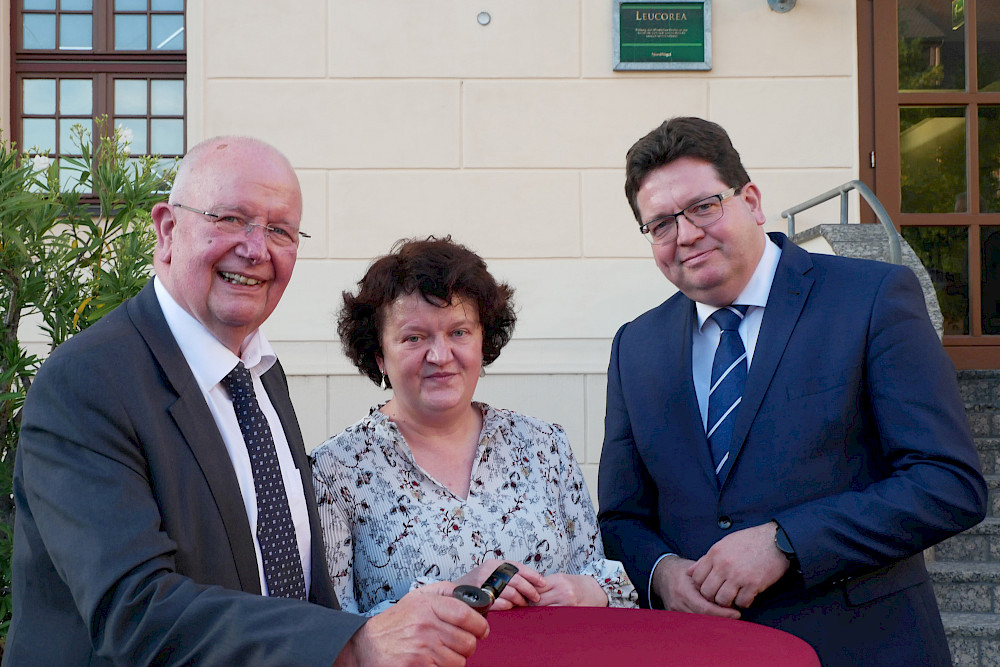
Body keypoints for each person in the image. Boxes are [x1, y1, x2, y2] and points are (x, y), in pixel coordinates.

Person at [5, 137, 488, 666]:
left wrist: (390, 623)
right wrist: (352, 644)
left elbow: (294, 585)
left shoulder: (258, 372)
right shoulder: (88, 380)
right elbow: (133, 609)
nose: (256, 249)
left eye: (280, 229)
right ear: (168, 229)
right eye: (232, 219)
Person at [597, 117, 987, 665]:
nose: (684, 235)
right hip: (700, 651)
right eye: (660, 224)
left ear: (751, 201)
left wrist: (787, 540)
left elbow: (948, 484)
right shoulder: (635, 345)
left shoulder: (871, 298)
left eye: (704, 206)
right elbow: (621, 519)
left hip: (860, 648)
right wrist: (662, 575)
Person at [311, 236, 636, 616]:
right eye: (414, 338)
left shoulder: (544, 445)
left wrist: (586, 590)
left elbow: (607, 582)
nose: (440, 355)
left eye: (459, 332)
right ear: (380, 355)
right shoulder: (334, 471)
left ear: (484, 341)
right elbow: (333, 629)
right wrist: (452, 593)